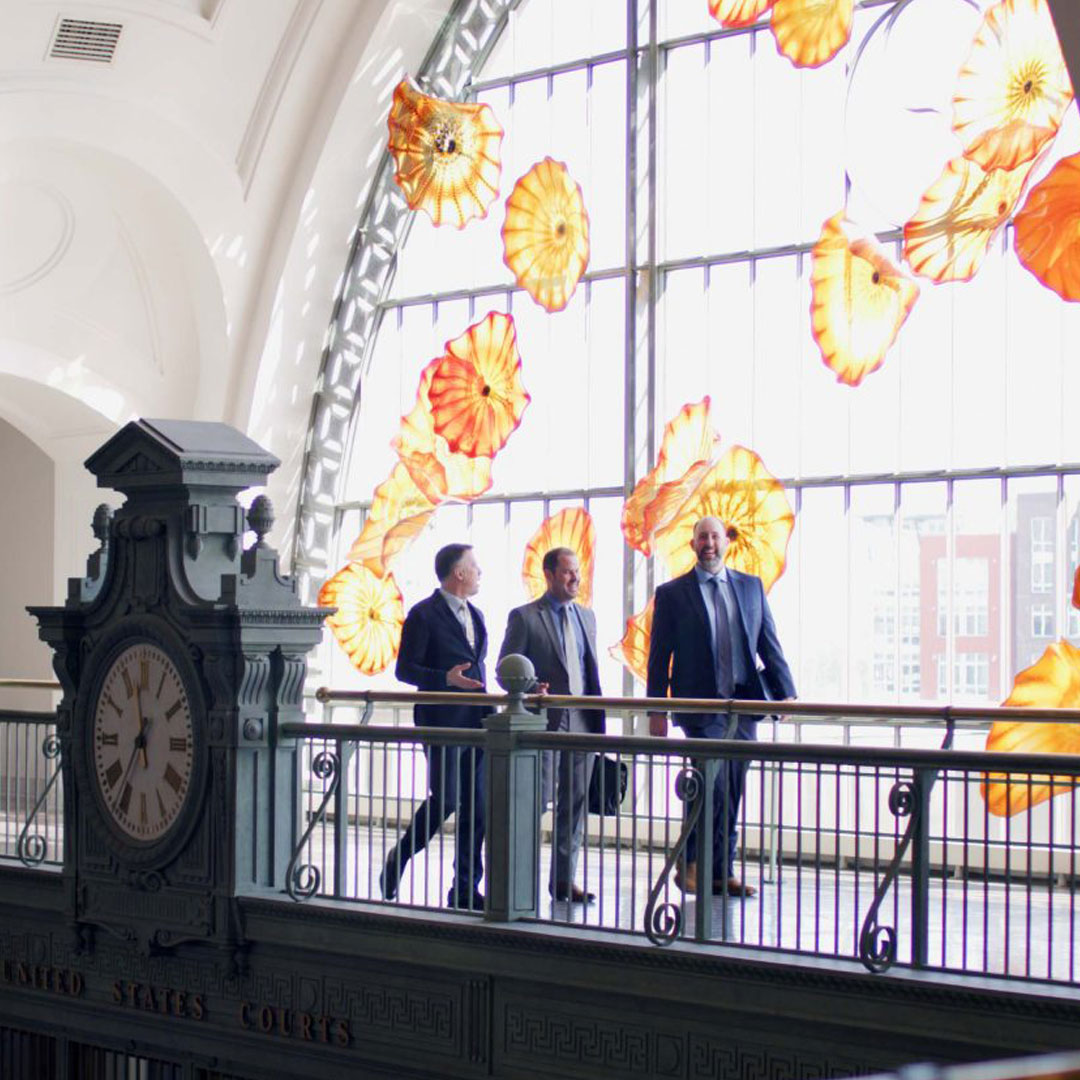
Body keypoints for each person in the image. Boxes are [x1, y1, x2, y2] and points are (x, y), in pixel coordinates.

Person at [646, 516, 795, 898]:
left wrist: (787, 692)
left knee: (732, 788)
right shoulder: (673, 594)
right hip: (700, 706)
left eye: (714, 536)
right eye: (702, 538)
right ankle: (690, 862)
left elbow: (768, 641)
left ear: (726, 541)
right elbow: (659, 656)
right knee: (707, 783)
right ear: (692, 545)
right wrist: (656, 709)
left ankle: (721, 870)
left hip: (743, 704)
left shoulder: (750, 587)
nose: (709, 543)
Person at [499, 547, 605, 903]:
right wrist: (531, 688)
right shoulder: (526, 617)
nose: (575, 578)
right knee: (535, 801)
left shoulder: (587, 617)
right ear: (548, 574)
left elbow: (589, 671)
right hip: (544, 720)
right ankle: (520, 877)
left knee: (573, 805)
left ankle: (563, 881)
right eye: (567, 572)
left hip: (582, 719)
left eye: (578, 572)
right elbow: (505, 670)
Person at [386, 543, 488, 910]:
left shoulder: (476, 616)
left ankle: (464, 888)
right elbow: (405, 670)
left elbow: (477, 673)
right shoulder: (423, 615)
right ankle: (400, 857)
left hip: (477, 725)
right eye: (475, 567)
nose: (480, 572)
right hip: (441, 723)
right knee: (446, 799)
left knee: (477, 808)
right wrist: (445, 679)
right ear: (458, 573)